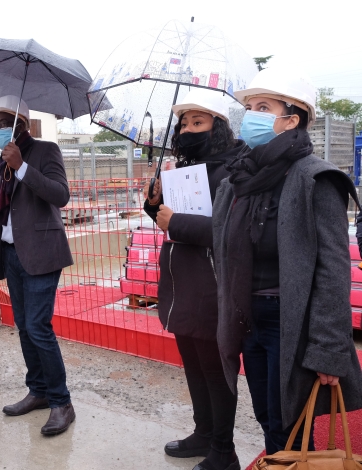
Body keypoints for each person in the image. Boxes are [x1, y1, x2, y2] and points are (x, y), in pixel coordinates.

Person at [213, 68, 362, 455]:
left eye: (263, 107)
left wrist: (328, 348)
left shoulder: (316, 179)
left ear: (292, 120)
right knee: (266, 414)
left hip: (291, 322)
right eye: (249, 107)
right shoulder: (239, 180)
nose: (251, 115)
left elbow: (333, 270)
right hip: (249, 318)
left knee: (289, 421)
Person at [144, 88, 246, 470]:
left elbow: (230, 232)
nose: (187, 130)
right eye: (184, 124)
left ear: (217, 127)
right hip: (181, 282)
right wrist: (154, 203)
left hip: (213, 286)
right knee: (193, 365)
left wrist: (177, 222)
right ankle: (203, 432)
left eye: (197, 122)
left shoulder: (234, 170)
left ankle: (224, 449)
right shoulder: (185, 169)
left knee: (215, 370)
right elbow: (170, 222)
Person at [0, 95, 76, 436]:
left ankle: (61, 402)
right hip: (12, 253)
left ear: (20, 124)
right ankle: (38, 390)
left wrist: (23, 166)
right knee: (24, 327)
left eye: (3, 123)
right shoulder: (2, 160)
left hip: (42, 252)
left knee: (38, 326)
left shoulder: (45, 151)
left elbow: (60, 195)